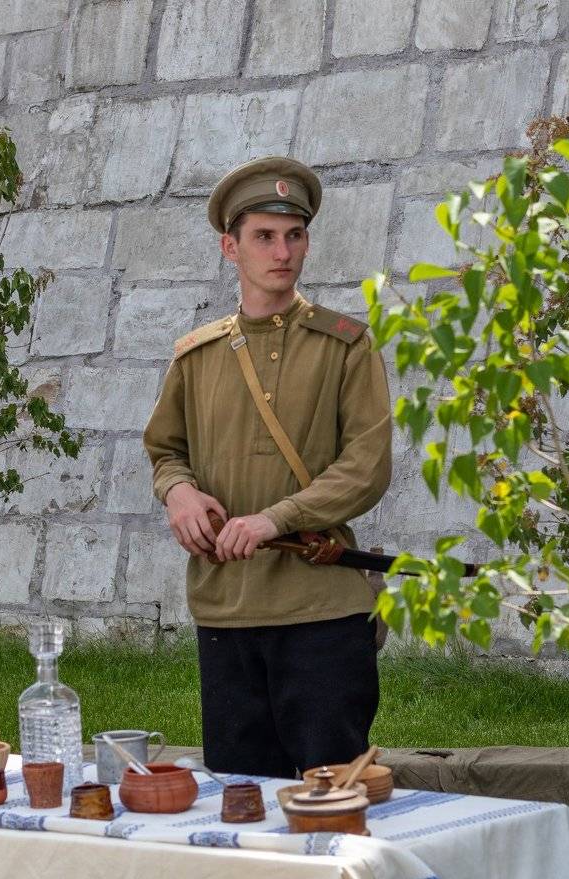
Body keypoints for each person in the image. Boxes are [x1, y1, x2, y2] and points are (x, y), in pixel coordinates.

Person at [141, 156, 393, 779]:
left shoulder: (346, 345)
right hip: (225, 608)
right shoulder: (196, 357)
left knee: (333, 797)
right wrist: (178, 493)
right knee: (242, 798)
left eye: (294, 235)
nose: (282, 252)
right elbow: (166, 449)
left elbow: (367, 466)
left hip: (321, 612)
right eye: (264, 236)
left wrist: (275, 519)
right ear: (230, 247)